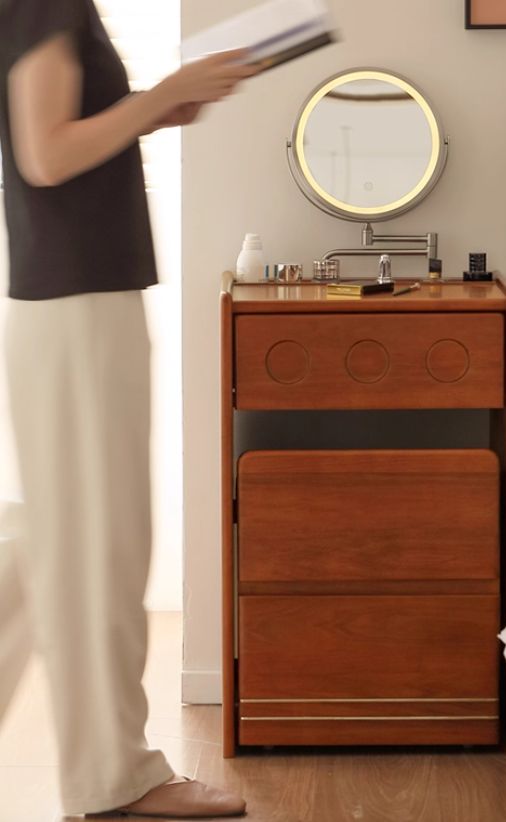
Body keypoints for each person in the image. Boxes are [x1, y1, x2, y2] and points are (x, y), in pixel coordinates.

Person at [0, 0, 258, 816]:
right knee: (91, 550)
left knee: (73, 546)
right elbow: (44, 153)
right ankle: (115, 782)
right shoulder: (44, 2)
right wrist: (158, 96)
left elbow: (62, 138)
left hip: (77, 305)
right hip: (77, 308)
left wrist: (151, 110)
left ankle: (111, 776)